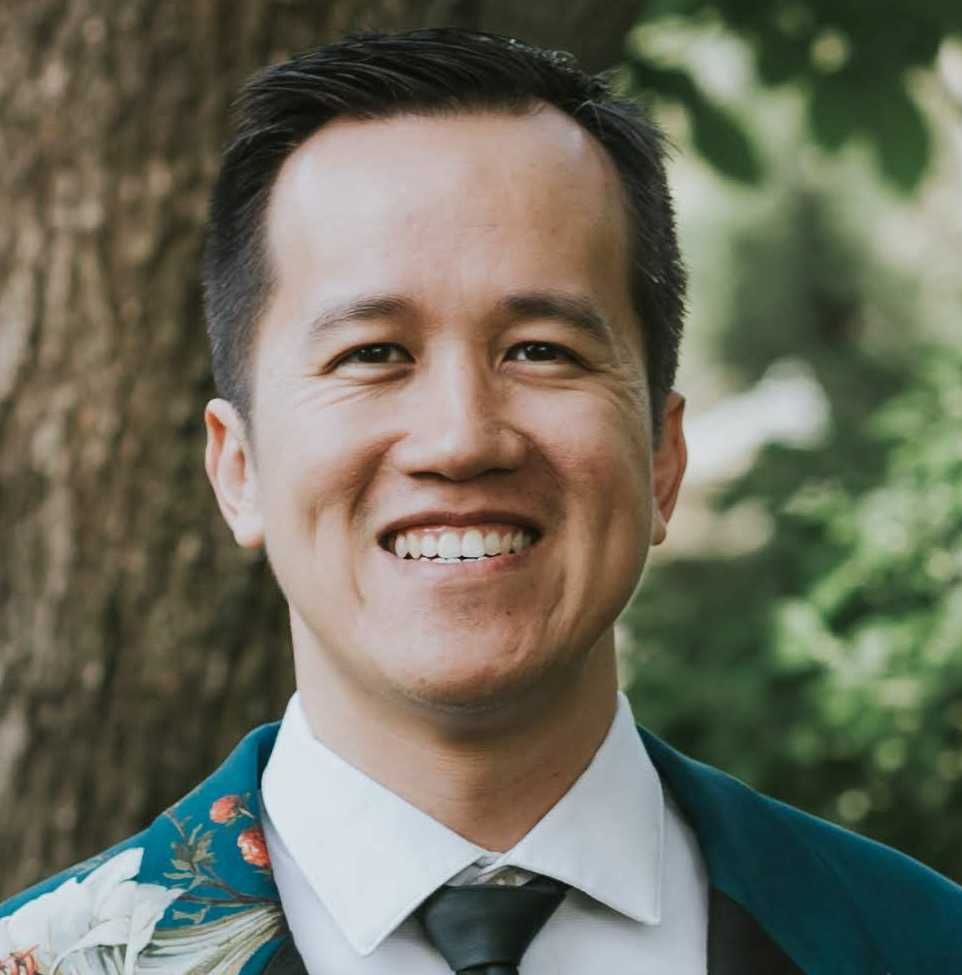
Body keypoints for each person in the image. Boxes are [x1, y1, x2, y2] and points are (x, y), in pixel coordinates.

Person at [1, 27, 959, 975]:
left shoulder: (917, 942)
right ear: (237, 468)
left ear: (663, 457)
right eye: (372, 353)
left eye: (541, 349)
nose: (462, 438)